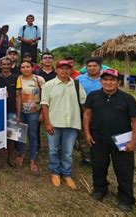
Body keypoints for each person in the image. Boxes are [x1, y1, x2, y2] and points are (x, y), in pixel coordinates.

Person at [83, 69, 136, 212]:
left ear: (118, 82)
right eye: (105, 80)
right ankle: (100, 189)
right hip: (98, 138)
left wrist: (133, 141)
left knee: (124, 170)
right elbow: (87, 114)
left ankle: (126, 198)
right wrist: (87, 133)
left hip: (121, 141)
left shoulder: (127, 99)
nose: (108, 83)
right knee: (98, 166)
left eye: (112, 80)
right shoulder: (93, 96)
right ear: (101, 81)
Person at [41, 59, 86, 189]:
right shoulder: (49, 85)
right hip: (54, 123)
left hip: (72, 123)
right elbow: (44, 105)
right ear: (57, 70)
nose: (64, 71)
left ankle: (66, 174)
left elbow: (84, 104)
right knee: (53, 149)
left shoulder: (77, 85)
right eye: (62, 68)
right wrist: (47, 123)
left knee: (68, 151)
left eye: (67, 68)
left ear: (71, 70)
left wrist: (84, 123)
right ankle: (55, 172)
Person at [15, 61, 45, 174]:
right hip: (22, 111)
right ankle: (21, 154)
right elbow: (18, 97)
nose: (25, 69)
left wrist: (42, 112)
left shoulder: (39, 79)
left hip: (34, 112)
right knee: (21, 134)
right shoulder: (19, 79)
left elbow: (45, 96)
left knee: (32, 135)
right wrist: (18, 115)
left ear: (32, 68)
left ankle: (33, 160)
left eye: (28, 67)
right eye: (23, 67)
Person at [76, 57, 103, 166]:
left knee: (98, 134)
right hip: (82, 110)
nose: (92, 68)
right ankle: (86, 157)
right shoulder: (79, 79)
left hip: (100, 111)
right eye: (89, 66)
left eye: (95, 66)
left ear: (100, 67)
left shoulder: (105, 79)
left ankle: (98, 156)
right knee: (83, 134)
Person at [0, 56, 19, 169]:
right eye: (3, 64)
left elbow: (18, 96)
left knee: (12, 135)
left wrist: (19, 113)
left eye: (8, 64)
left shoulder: (16, 78)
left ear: (11, 65)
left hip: (12, 110)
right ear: (0, 65)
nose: (6, 66)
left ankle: (10, 157)